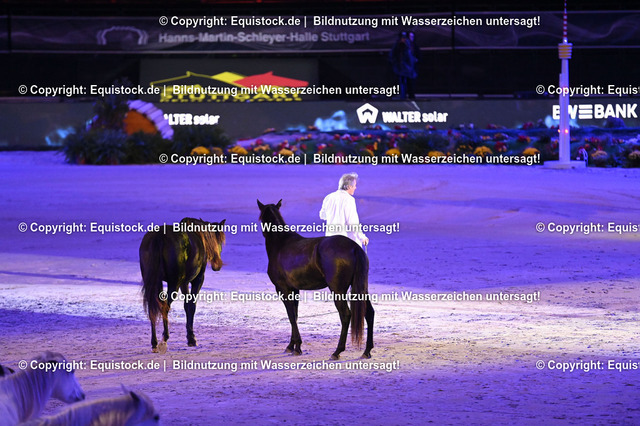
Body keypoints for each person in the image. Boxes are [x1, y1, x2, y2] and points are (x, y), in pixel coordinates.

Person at [319, 172, 369, 248]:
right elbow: (353, 223)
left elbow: (322, 216)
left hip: (329, 241)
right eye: (354, 185)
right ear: (349, 187)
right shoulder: (349, 200)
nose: (355, 188)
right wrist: (362, 237)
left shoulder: (328, 197)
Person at [389, 31, 418, 99]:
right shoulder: (397, 46)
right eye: (402, 38)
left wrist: (412, 63)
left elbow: (410, 56)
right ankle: (402, 95)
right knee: (401, 82)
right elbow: (392, 56)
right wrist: (396, 64)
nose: (403, 39)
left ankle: (409, 95)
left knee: (409, 82)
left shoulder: (408, 45)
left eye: (404, 38)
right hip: (400, 68)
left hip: (407, 68)